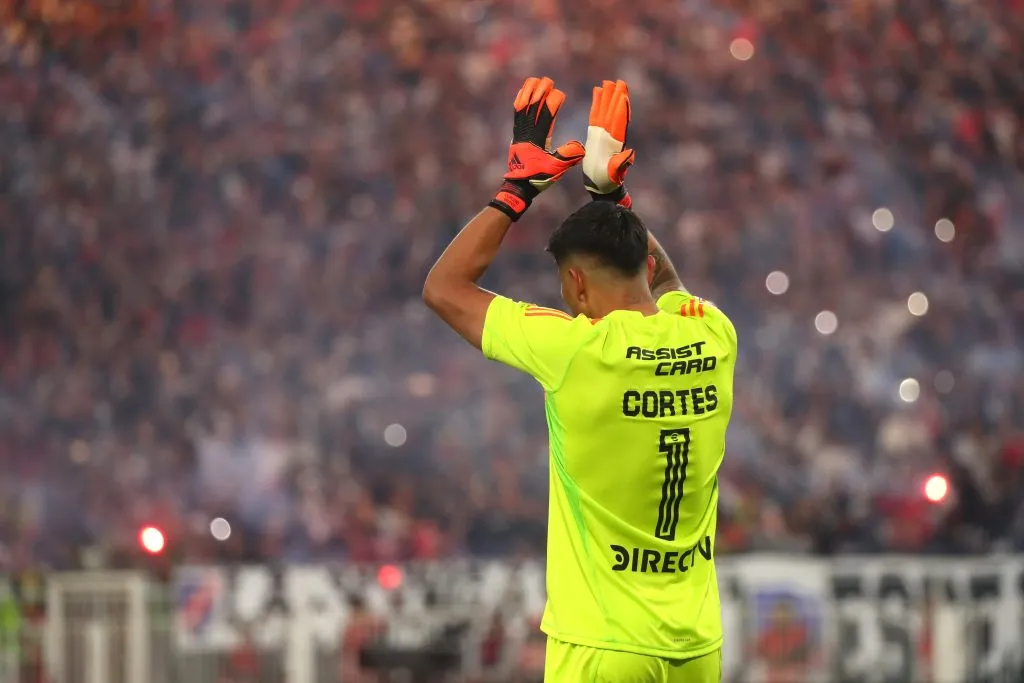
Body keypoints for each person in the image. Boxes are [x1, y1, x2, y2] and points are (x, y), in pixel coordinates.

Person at [423, 77, 736, 682]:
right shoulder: (711, 334)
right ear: (643, 262)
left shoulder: (575, 350)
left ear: (576, 286)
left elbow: (445, 288)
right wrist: (609, 193)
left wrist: (517, 191)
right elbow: (668, 284)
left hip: (604, 647)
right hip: (696, 646)